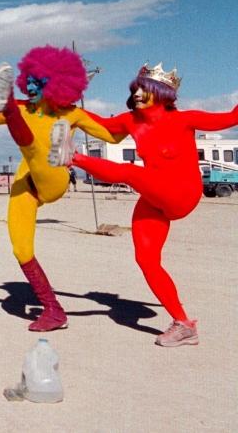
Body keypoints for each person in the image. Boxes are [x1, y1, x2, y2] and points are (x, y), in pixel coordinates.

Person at [52, 63, 238, 347]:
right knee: (146, 260)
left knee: (129, 172)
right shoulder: (130, 121)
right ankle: (183, 324)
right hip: (153, 195)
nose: (137, 93)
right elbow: (99, 123)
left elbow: (231, 117)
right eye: (135, 88)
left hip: (182, 194)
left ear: (162, 93)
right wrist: (66, 108)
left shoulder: (186, 119)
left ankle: (73, 158)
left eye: (144, 89)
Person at [0, 46, 119, 331]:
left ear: (56, 84)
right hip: (26, 183)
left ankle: (59, 145)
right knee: (21, 249)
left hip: (54, 177)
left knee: (32, 146)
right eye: (28, 80)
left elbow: (112, 135)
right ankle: (54, 311)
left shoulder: (73, 114)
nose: (31, 86)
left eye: (38, 82)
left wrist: (149, 116)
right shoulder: (23, 108)